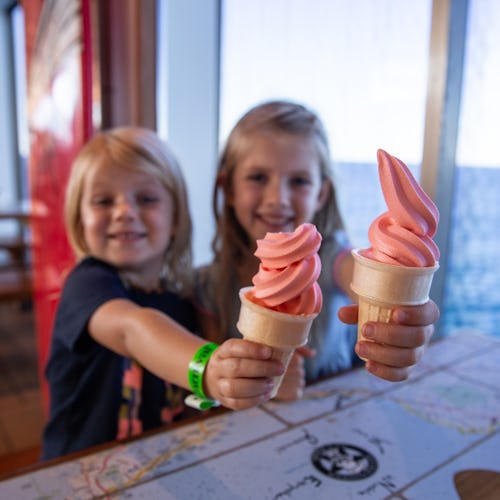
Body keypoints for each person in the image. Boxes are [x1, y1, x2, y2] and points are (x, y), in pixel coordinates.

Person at [41, 127, 284, 460]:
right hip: (76, 473)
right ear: (80, 221)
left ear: (175, 219)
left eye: (146, 198)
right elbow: (132, 328)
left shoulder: (184, 303)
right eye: (103, 201)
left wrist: (262, 378)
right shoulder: (86, 284)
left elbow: (193, 405)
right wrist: (208, 368)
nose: (124, 211)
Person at [195, 100, 440, 400]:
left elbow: (357, 274)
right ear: (229, 188)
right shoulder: (206, 286)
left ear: (321, 194)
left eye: (299, 181)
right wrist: (241, 381)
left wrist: (405, 317)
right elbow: (201, 389)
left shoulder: (330, 259)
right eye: (258, 177)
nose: (278, 198)